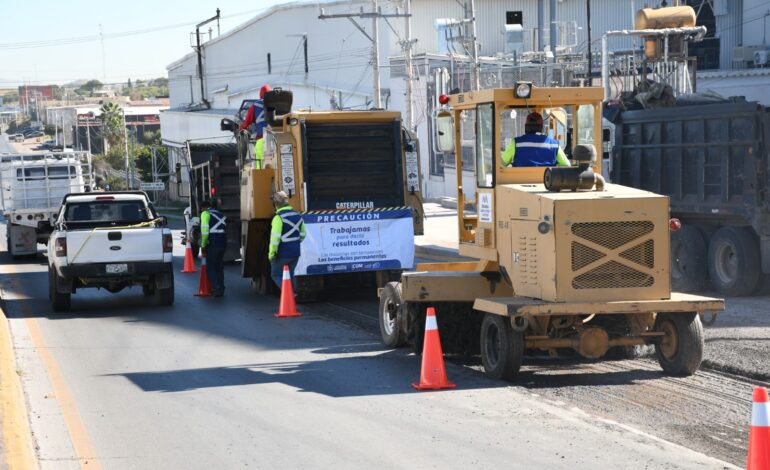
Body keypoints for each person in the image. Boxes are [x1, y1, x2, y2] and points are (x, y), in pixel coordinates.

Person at [501, 112, 571, 167]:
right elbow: (566, 165)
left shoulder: (516, 143)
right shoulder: (554, 145)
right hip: (548, 183)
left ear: (526, 127)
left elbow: (501, 164)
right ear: (541, 128)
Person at [269, 191, 305, 291]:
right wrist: (295, 243)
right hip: (295, 253)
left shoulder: (278, 218)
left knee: (276, 275)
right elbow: (303, 234)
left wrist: (271, 254)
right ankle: (294, 294)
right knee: (290, 274)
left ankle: (288, 294)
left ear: (275, 204)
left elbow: (274, 239)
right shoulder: (298, 215)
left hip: (282, 254)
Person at [200, 199, 227, 297]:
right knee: (219, 267)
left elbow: (205, 231)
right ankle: (222, 288)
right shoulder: (220, 215)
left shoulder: (205, 214)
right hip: (223, 244)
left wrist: (203, 245)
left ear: (203, 208)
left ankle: (216, 289)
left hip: (212, 244)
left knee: (210, 268)